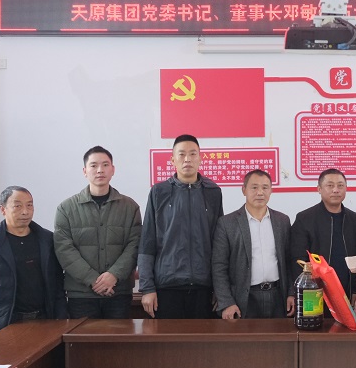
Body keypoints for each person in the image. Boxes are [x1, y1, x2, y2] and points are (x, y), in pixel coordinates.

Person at [137, 134, 223, 319]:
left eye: (193, 154)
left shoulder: (213, 192)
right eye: (182, 154)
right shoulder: (159, 192)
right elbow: (147, 243)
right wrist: (147, 288)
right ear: (172, 160)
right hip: (167, 288)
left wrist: (221, 289)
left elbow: (219, 245)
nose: (187, 159)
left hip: (204, 288)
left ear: (200, 158)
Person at [0, 186, 67, 340]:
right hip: (5, 323)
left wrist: (62, 318)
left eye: (29, 205)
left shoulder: (47, 240)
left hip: (46, 320)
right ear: (3, 209)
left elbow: (58, 284)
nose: (25, 211)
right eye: (18, 206)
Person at [54, 146, 142, 319]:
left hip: (118, 292)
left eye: (105, 165)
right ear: (84, 171)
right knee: (83, 337)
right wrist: (93, 279)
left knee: (120, 337)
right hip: (81, 295)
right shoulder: (66, 208)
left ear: (113, 169)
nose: (100, 170)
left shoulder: (130, 207)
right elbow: (64, 249)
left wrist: (114, 275)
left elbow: (135, 244)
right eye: (94, 165)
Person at [212, 170, 293, 319]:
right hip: (243, 299)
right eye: (254, 187)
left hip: (278, 297)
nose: (260, 192)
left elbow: (289, 261)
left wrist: (291, 293)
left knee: (280, 335)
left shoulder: (282, 221)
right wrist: (227, 302)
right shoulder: (227, 223)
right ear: (244, 190)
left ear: (271, 190)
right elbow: (219, 267)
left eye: (265, 187)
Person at [289, 169, 356, 302]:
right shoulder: (305, 218)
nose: (336, 190)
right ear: (319, 189)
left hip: (347, 292)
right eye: (330, 185)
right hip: (314, 292)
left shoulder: (354, 219)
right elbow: (297, 259)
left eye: (340, 185)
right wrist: (299, 292)